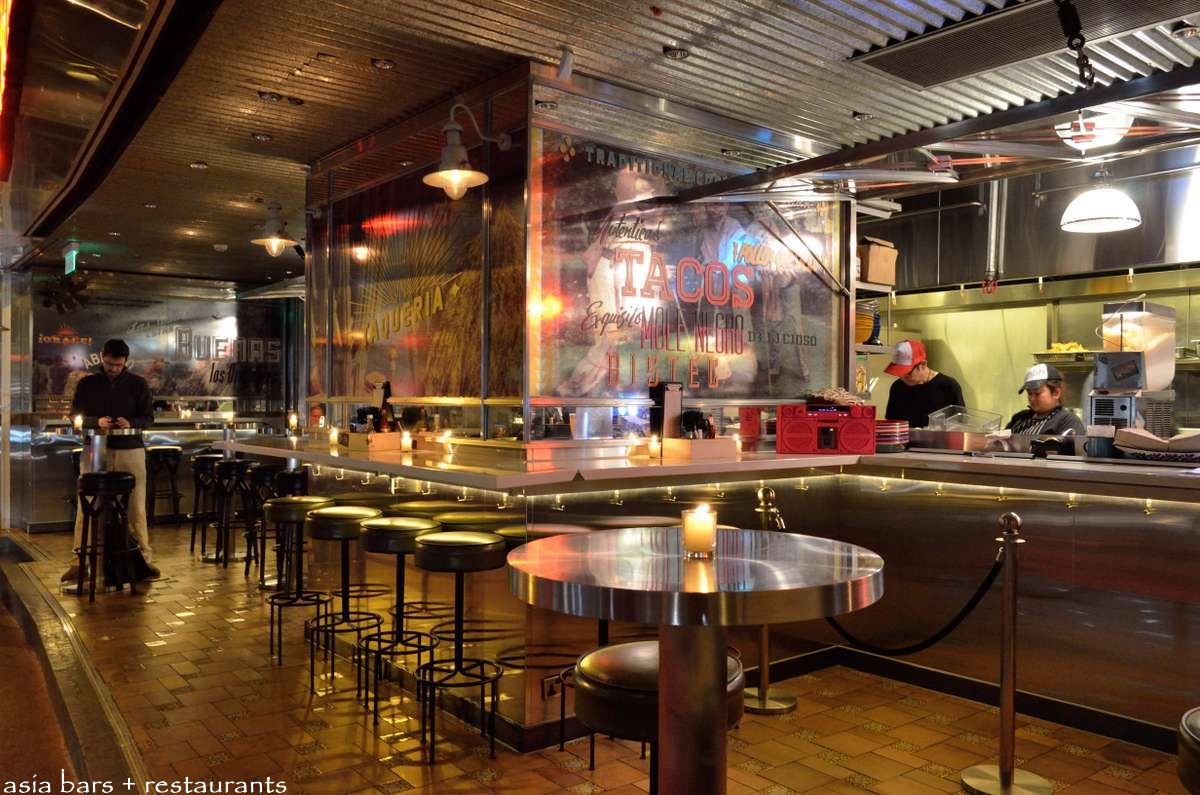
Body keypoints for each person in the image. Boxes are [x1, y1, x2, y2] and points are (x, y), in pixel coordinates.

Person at [62, 339, 159, 582]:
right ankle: (80, 562)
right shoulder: (87, 383)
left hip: (130, 449)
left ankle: (144, 560)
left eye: (117, 365)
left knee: (135, 507)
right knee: (88, 507)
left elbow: (148, 418)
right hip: (95, 450)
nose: (113, 369)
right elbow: (74, 416)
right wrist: (96, 422)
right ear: (102, 358)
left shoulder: (138, 384)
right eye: (108, 364)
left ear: (126, 361)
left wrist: (131, 422)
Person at [884, 339, 965, 429]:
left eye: (907, 373)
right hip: (905, 438)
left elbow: (960, 424)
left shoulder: (948, 386)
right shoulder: (897, 387)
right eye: (899, 373)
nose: (902, 378)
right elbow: (892, 423)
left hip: (940, 438)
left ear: (923, 365)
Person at [1006, 363, 1086, 436]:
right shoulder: (1019, 418)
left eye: (1037, 393)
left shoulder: (1067, 422)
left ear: (1056, 393)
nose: (1032, 398)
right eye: (1029, 393)